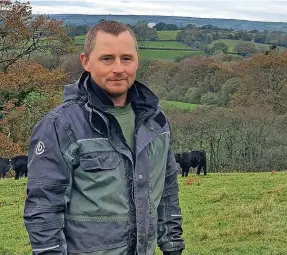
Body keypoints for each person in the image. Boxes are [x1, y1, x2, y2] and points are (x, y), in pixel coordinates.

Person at [23, 21, 185, 255]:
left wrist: (173, 247)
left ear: (137, 60)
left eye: (126, 58)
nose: (118, 68)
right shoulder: (61, 126)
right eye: (107, 58)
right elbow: (43, 208)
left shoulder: (156, 121)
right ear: (86, 61)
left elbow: (167, 189)